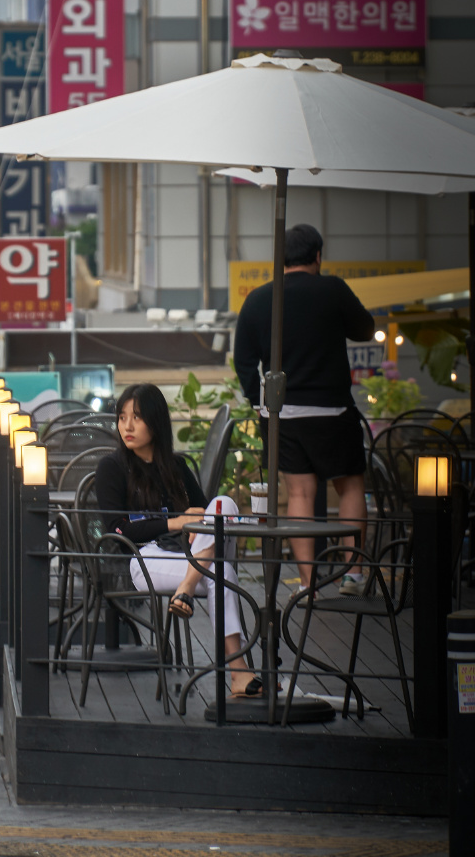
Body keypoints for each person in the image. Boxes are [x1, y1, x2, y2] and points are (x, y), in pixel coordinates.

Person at [233, 223, 375, 596]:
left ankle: (308, 583)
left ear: (280, 259)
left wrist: (261, 404)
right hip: (332, 410)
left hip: (283, 414)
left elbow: (243, 360)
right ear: (318, 256)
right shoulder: (333, 290)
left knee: (299, 494)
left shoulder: (259, 299)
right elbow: (365, 329)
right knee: (350, 485)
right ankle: (353, 574)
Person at [95, 383, 260, 697]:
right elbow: (118, 530)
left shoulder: (177, 468)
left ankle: (187, 589)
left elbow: (210, 517)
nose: (127, 426)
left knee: (223, 505)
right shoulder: (112, 467)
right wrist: (178, 521)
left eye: (137, 417)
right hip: (146, 559)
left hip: (188, 558)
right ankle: (239, 671)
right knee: (221, 572)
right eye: (122, 417)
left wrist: (196, 522)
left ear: (156, 422)